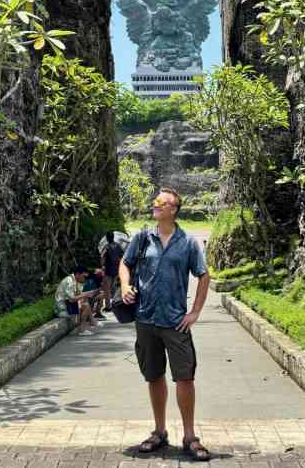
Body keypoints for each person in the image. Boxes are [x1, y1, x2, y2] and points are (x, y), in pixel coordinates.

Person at [120, 187, 211, 461]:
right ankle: (159, 432)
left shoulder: (188, 242)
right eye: (155, 201)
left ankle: (189, 435)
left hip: (175, 322)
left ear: (173, 209)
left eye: (161, 202)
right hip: (146, 319)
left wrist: (194, 312)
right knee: (154, 376)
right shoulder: (142, 237)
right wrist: (125, 285)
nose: (155, 205)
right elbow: (125, 264)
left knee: (185, 377)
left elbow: (204, 276)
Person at [54, 264, 100, 334]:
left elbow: (77, 295)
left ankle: (91, 322)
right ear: (78, 274)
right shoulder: (69, 281)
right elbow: (72, 299)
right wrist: (87, 294)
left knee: (84, 300)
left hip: (67, 305)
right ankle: (83, 329)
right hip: (62, 310)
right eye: (84, 276)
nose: (85, 279)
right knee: (85, 305)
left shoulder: (75, 280)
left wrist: (91, 292)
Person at [101, 231, 124, 311]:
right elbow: (122, 257)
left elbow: (103, 259)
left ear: (107, 238)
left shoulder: (106, 247)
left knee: (107, 289)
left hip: (108, 271)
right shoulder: (118, 246)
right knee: (115, 288)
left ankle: (108, 306)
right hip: (116, 270)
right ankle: (115, 304)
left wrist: (102, 266)